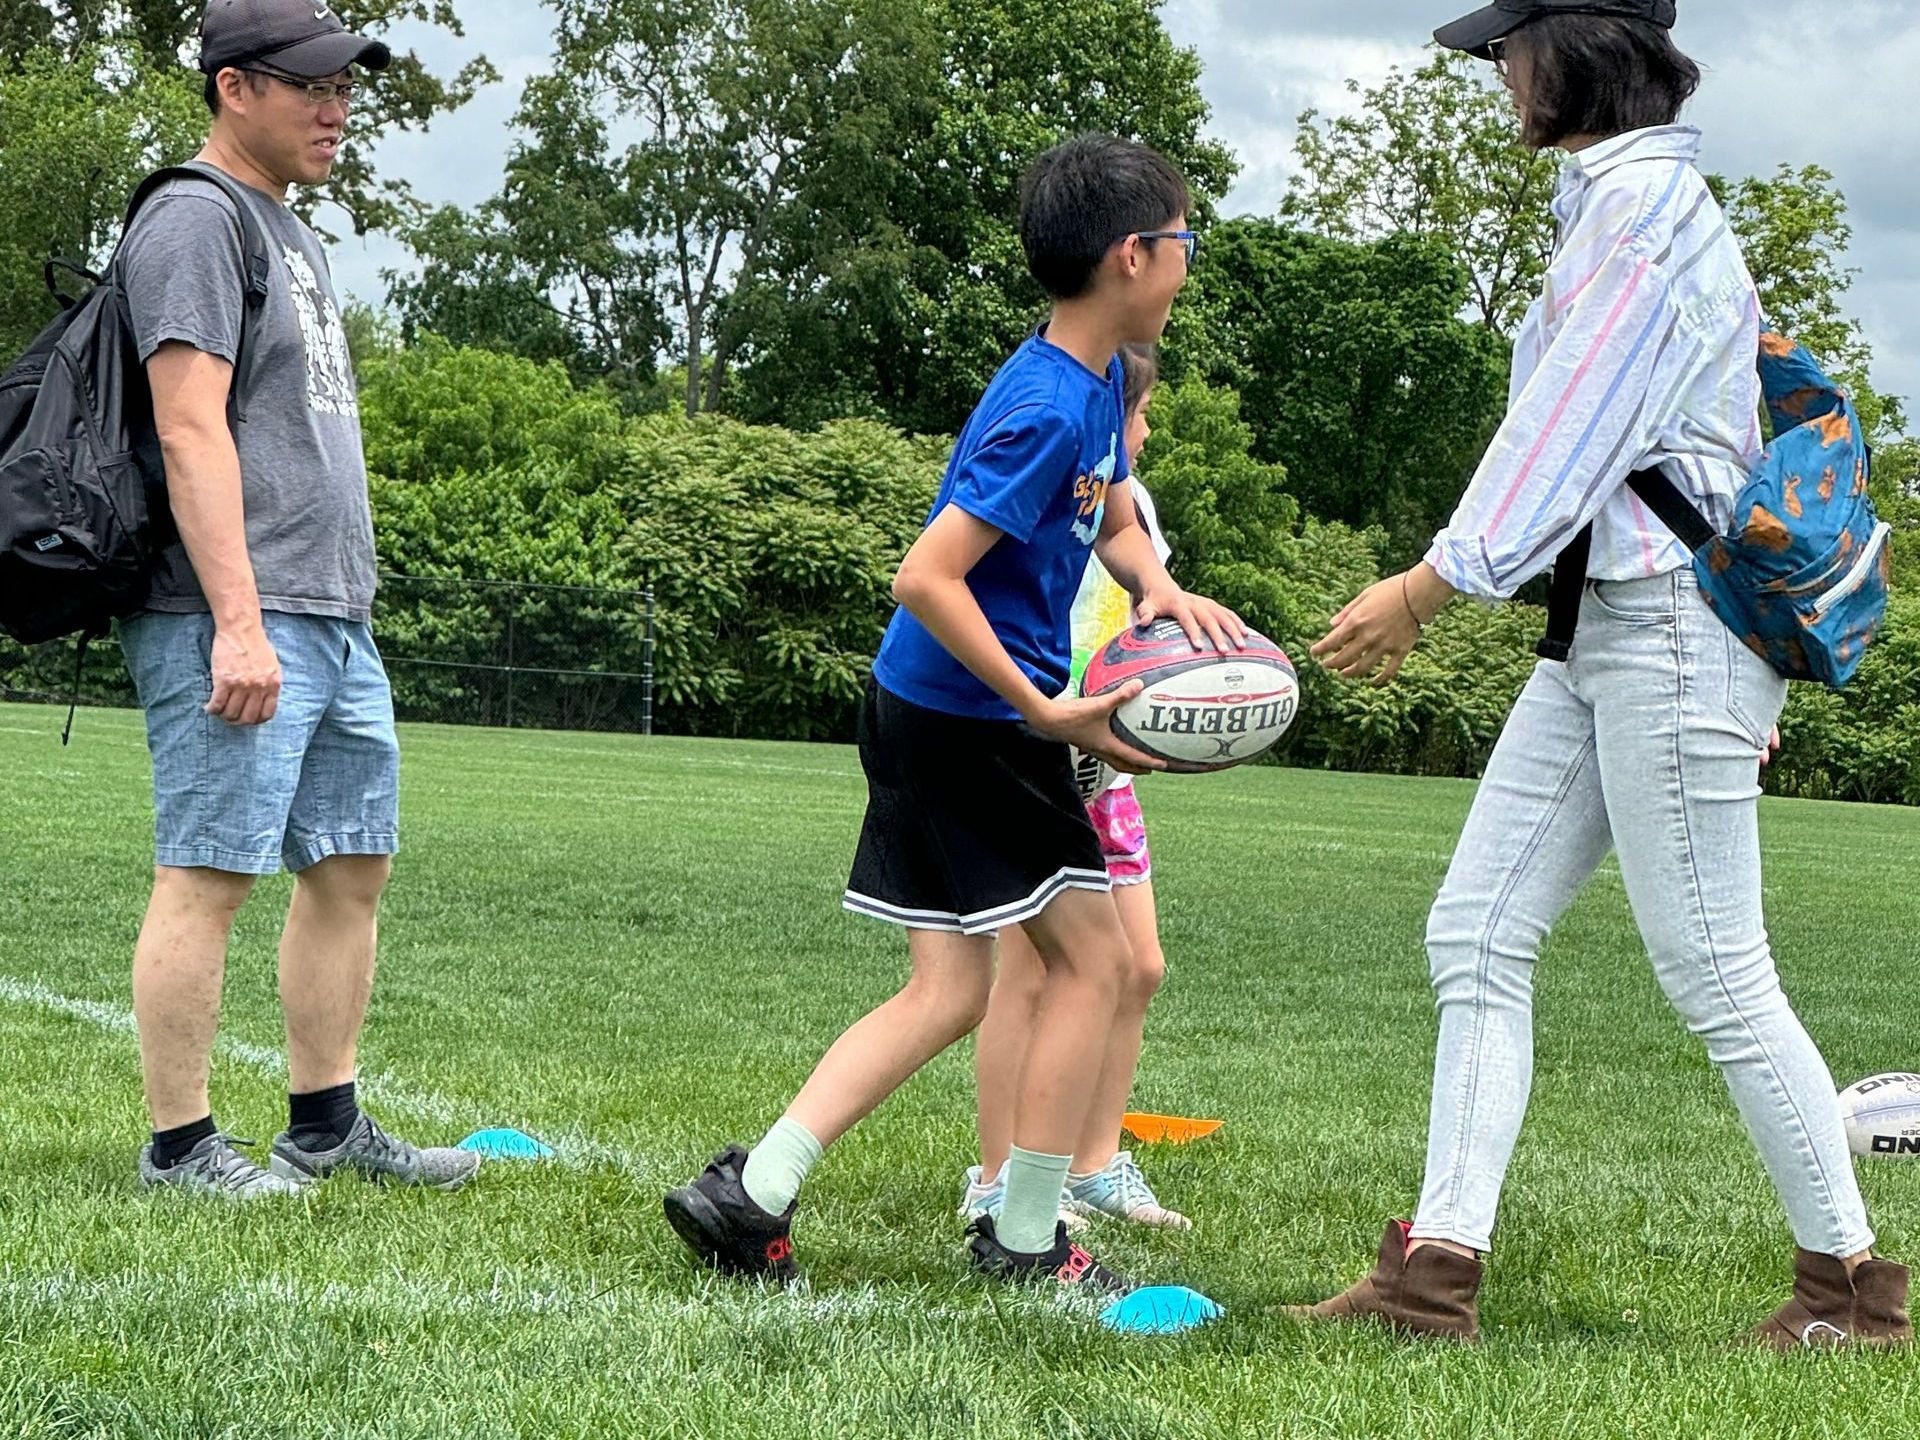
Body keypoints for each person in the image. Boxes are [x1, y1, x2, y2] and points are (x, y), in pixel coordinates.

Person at [1300, 0, 1909, 1347]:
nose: (1500, 74)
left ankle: (1853, 1294)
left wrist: (1429, 585)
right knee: (1475, 932)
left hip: (1669, 631)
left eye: (1510, 49)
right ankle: (1433, 1280)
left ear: (1576, 50)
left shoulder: (1643, 216)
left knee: (1715, 969)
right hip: (1610, 633)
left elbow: (1565, 433)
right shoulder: (1620, 208)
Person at [665, 134, 1242, 1294]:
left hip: (922, 712)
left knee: (950, 989)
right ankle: (1026, 1237)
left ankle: (753, 1192)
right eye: (1183, 244)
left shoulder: (1084, 380)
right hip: (978, 724)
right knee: (1092, 964)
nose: (1188, 266)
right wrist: (1046, 707)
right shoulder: (1047, 403)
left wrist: (1156, 584)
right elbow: (925, 575)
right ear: (1133, 256)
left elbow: (1110, 508)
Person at [117, 0, 478, 1197]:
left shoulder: (290, 233)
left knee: (350, 865)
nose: (338, 109)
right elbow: (186, 423)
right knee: (210, 869)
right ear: (234, 87)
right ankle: (182, 1147)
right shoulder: (191, 218)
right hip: (239, 608)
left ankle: (325, 1122)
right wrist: (234, 619)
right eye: (311, 86)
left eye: (345, 88)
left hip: (330, 609)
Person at [962, 343, 1191, 1233]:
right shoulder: (1054, 487)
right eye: (1136, 415)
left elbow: (1146, 625)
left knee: (1137, 966)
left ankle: (1093, 1165)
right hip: (1033, 754)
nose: (1142, 429)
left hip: (1104, 769)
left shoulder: (1132, 516)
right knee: (1032, 975)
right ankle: (997, 1175)